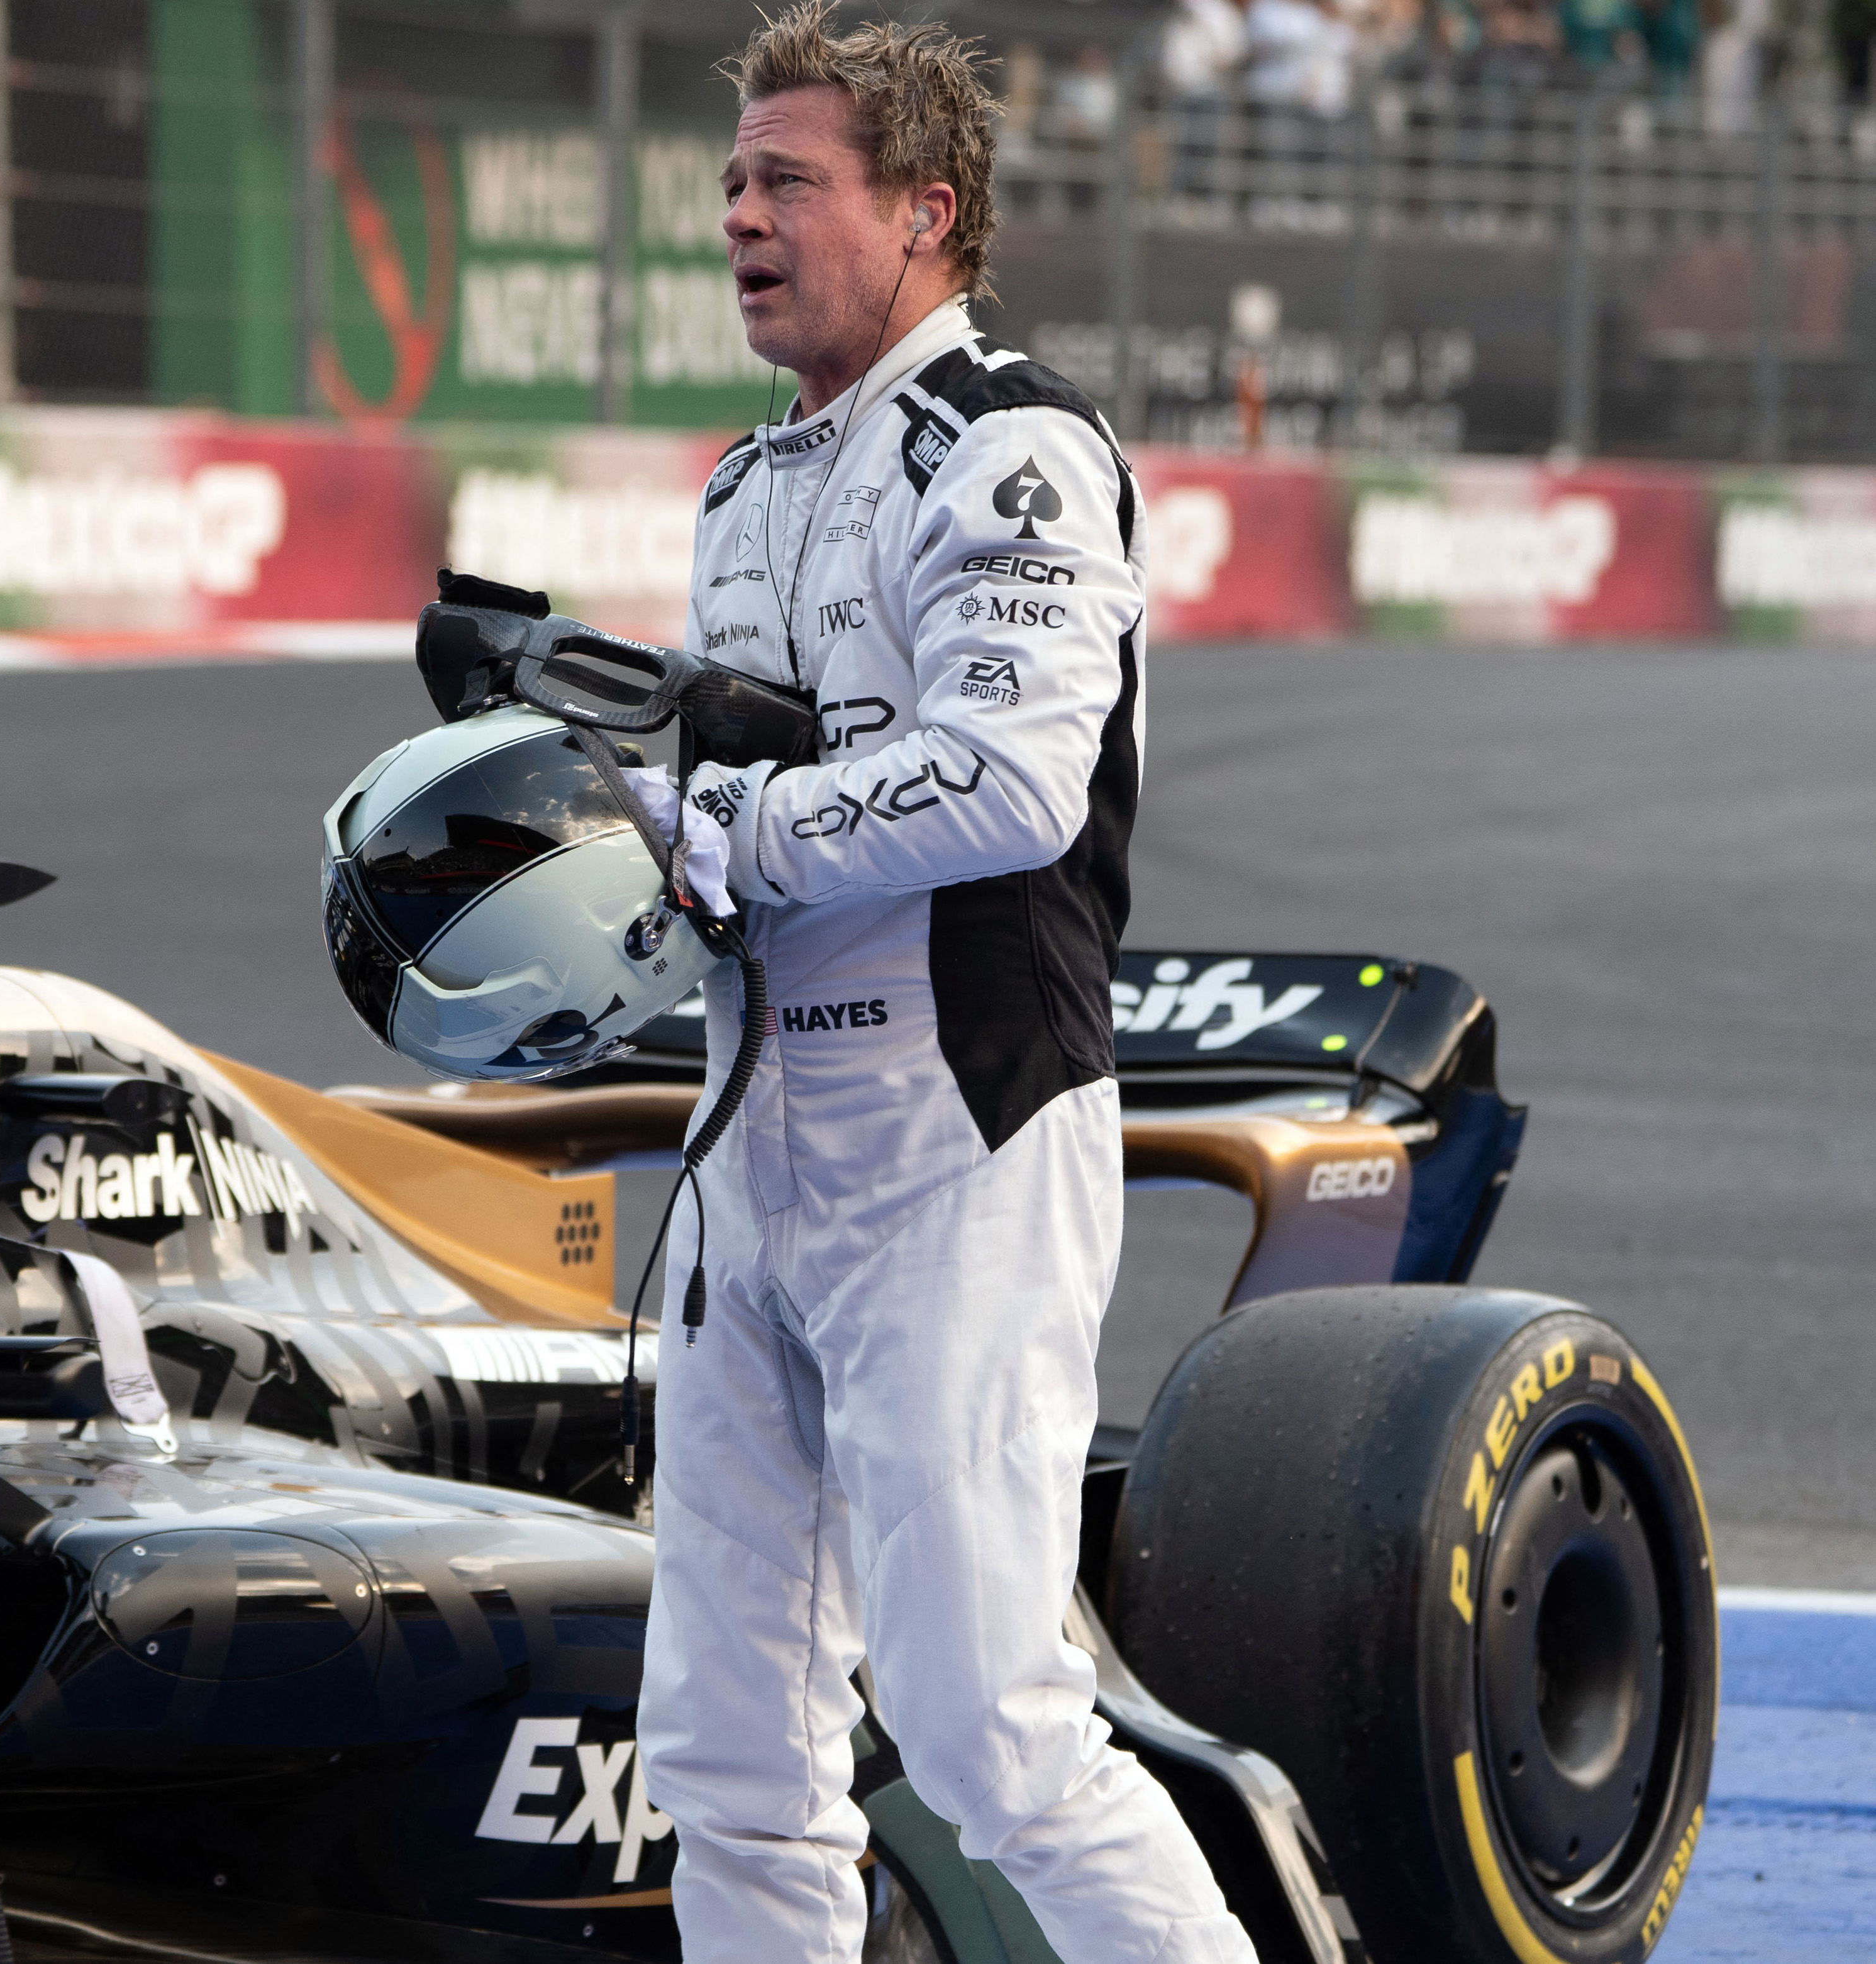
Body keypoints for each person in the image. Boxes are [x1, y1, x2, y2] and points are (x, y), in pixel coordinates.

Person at [633, 9, 1258, 1963]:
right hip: (752, 1171)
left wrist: (747, 827)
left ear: (929, 208)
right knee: (725, 1746)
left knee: (989, 1726)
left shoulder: (1013, 448)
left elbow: (1006, 780)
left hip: (958, 1142)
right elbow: (734, 813)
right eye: (733, 179)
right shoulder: (742, 487)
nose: (739, 212)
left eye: (786, 179)